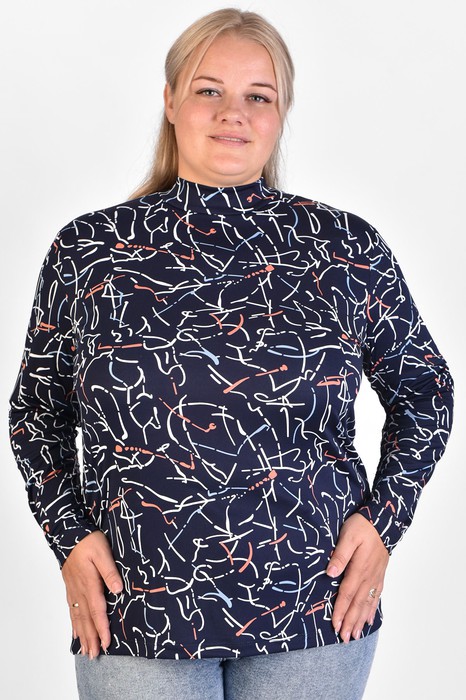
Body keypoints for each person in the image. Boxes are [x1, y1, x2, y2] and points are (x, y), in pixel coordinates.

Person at [9, 7, 454, 700]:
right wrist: (69, 539)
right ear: (170, 101)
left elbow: (425, 390)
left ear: (282, 113)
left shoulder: (344, 249)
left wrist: (383, 524)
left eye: (259, 96)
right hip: (137, 605)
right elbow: (36, 413)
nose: (232, 114)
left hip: (313, 602)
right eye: (209, 89)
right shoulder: (91, 253)